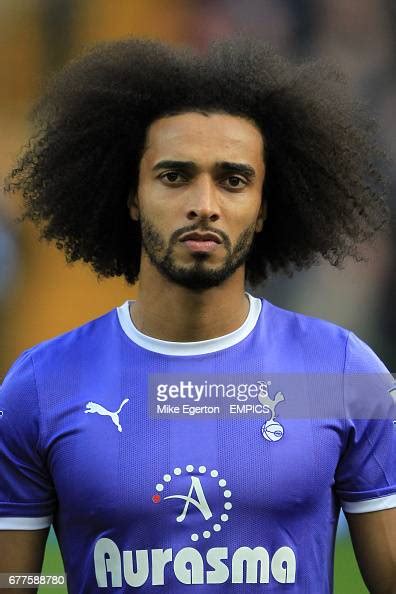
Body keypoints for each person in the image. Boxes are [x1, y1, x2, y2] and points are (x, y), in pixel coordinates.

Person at [0, 38, 395, 594]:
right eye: (175, 175)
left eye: (233, 180)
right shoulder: (43, 386)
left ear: (263, 210)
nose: (203, 203)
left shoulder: (339, 376)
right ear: (132, 196)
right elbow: (15, 578)